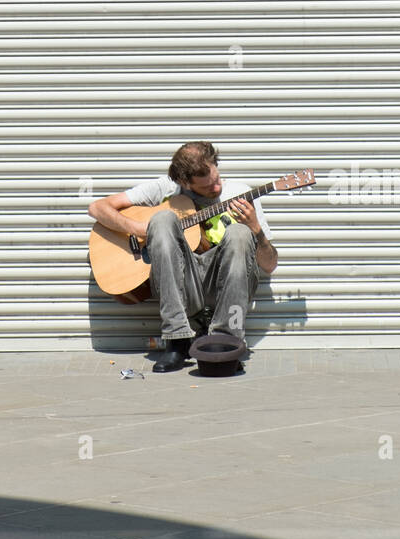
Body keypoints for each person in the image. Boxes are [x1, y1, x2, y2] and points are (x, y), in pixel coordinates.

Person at [88, 140, 278, 372]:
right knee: (162, 219)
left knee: (239, 233)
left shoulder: (241, 193)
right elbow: (97, 208)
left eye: (217, 180)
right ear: (184, 182)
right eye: (207, 187)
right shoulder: (167, 189)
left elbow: (269, 265)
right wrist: (140, 230)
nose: (216, 189)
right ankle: (177, 339)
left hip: (224, 284)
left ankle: (227, 341)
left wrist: (256, 230)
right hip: (182, 282)